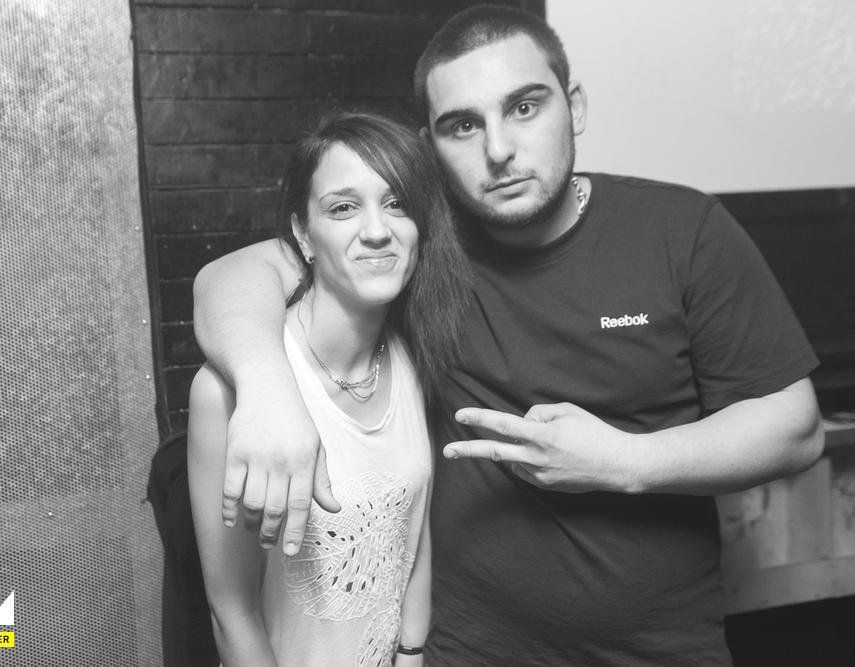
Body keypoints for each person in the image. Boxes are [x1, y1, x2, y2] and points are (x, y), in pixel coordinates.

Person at [191, 6, 825, 665]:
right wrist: (265, 390)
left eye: (524, 107)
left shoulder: (680, 231)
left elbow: (794, 427)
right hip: (470, 651)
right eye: (463, 125)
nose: (497, 149)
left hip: (657, 651)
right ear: (431, 146)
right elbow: (228, 279)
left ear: (573, 106)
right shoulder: (417, 242)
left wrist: (622, 461)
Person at [186, 110, 471, 666]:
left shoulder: (408, 354)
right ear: (303, 234)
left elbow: (412, 534)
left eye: (397, 204)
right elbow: (231, 613)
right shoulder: (228, 394)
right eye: (343, 208)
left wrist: (411, 651)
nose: (377, 230)